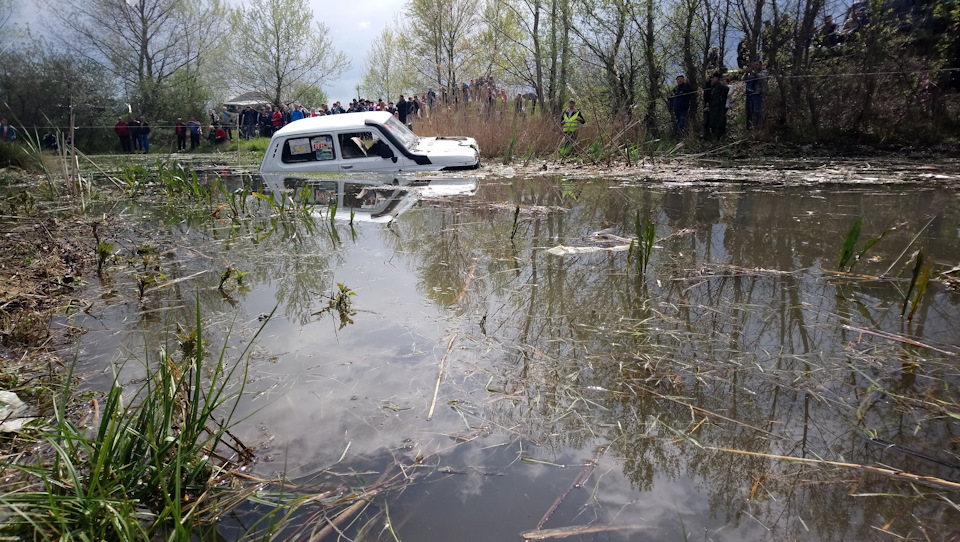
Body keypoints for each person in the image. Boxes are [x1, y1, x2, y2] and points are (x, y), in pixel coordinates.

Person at [744, 61, 767, 130]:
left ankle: (758, 127)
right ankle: (749, 127)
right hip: (749, 95)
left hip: (758, 94)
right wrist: (746, 73)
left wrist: (754, 72)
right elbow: (743, 79)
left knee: (757, 111)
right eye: (754, 65)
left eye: (757, 65)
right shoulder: (750, 74)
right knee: (748, 111)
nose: (756, 66)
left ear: (761, 65)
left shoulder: (764, 72)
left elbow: (762, 79)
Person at [707, 72, 729, 139]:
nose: (712, 79)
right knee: (713, 120)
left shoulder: (720, 84)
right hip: (714, 106)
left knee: (720, 120)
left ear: (716, 78)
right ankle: (715, 135)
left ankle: (721, 135)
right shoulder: (714, 85)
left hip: (719, 106)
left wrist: (722, 96)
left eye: (713, 78)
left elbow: (726, 89)